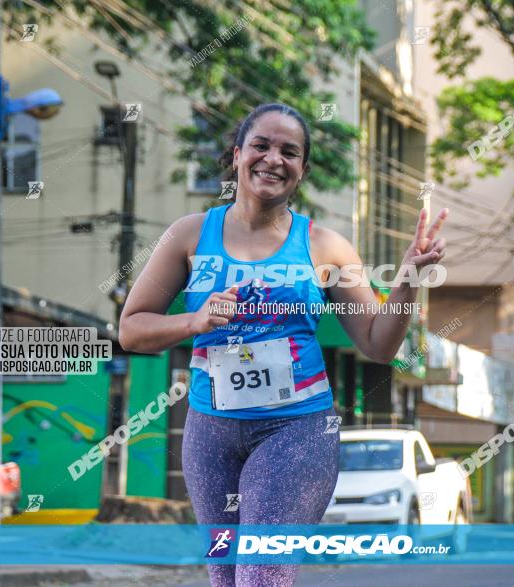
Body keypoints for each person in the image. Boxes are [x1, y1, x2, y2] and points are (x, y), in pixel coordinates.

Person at [118, 102, 448, 586]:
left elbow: (378, 344)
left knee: (261, 576)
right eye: (261, 146)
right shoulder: (189, 235)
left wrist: (407, 281)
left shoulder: (326, 247)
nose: (273, 159)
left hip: (298, 433)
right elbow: (132, 329)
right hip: (211, 433)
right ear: (236, 155)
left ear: (302, 171)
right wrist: (194, 321)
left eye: (289, 152)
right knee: (226, 577)